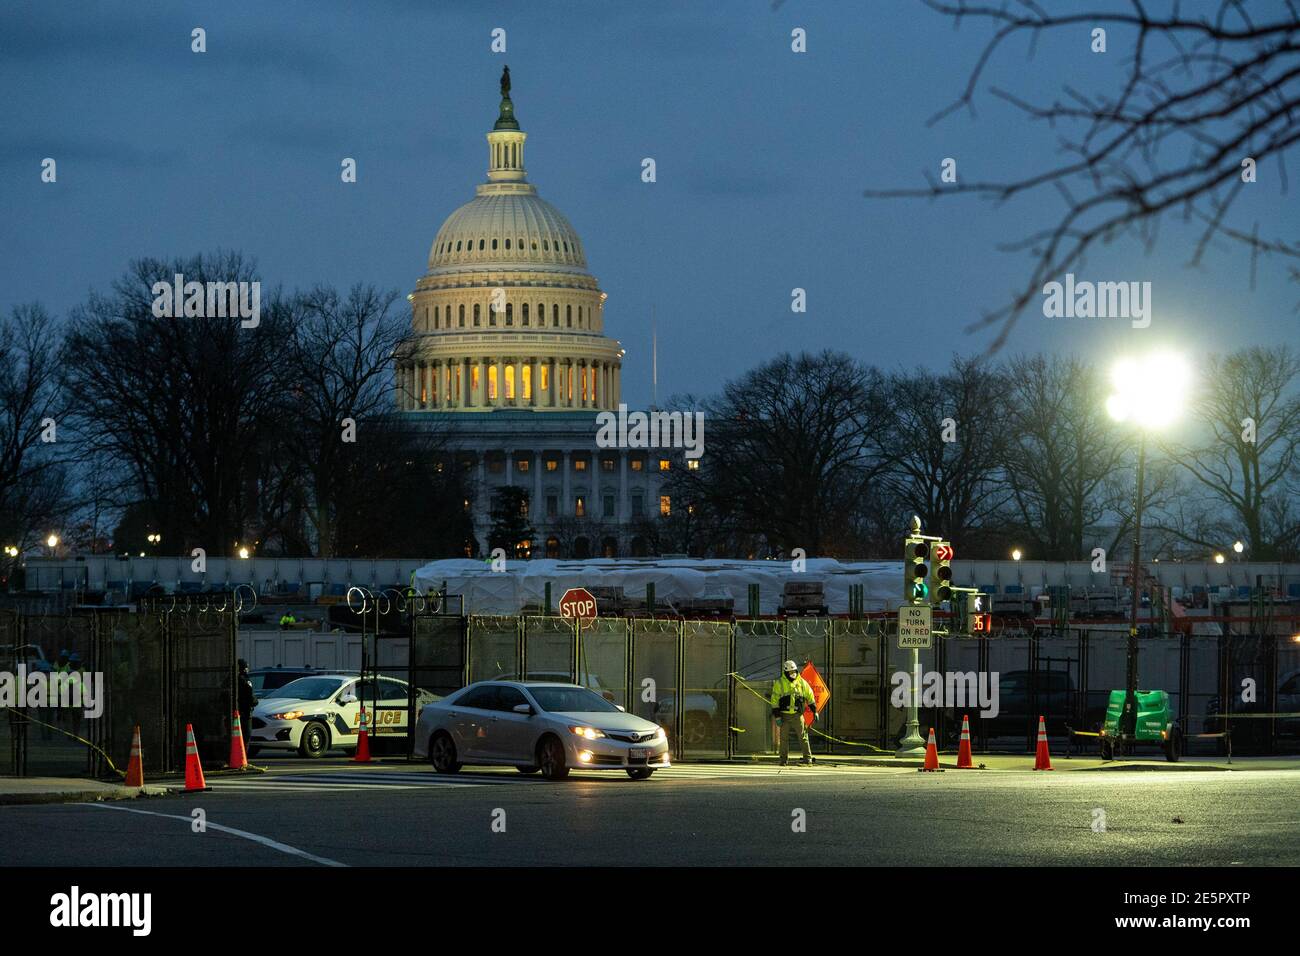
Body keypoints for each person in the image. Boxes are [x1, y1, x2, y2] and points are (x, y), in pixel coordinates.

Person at [770, 659, 816, 766]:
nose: (793, 674)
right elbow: (774, 701)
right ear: (786, 672)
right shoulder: (779, 683)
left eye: (794, 671)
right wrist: (777, 717)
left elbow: (810, 696)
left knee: (803, 737)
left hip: (798, 716)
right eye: (790, 672)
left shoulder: (802, 683)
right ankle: (783, 760)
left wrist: (815, 711)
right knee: (784, 739)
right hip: (784, 716)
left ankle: (807, 759)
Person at [236, 659, 255, 746]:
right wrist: (255, 701)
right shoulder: (245, 680)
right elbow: (250, 696)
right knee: (246, 735)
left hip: (236, 712)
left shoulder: (232, 679)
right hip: (245, 712)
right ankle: (243, 755)